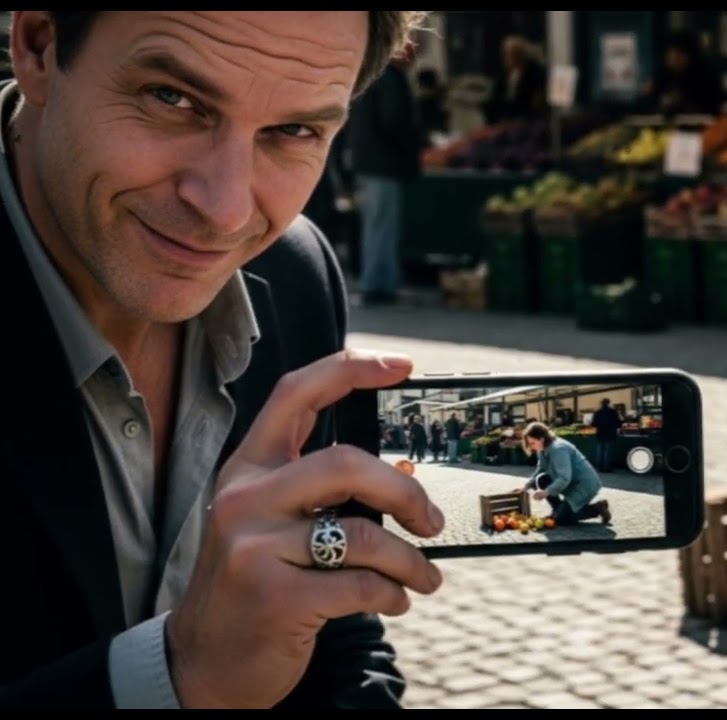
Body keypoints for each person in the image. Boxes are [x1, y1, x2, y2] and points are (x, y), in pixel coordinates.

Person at [1, 11, 447, 708]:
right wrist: (180, 674)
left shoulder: (295, 272)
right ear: (39, 47)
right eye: (172, 99)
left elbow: (334, 640)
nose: (227, 210)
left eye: (294, 131)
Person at [346, 41, 426, 306]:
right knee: (382, 226)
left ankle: (381, 281)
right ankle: (379, 284)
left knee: (375, 224)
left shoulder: (369, 77)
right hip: (383, 162)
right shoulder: (390, 79)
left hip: (368, 161)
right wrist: (411, 145)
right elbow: (394, 120)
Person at [514, 422, 612, 526]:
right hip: (569, 482)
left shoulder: (558, 449)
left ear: (542, 439)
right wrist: (525, 487)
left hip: (584, 485)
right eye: (529, 444)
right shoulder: (542, 449)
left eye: (532, 443)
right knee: (541, 479)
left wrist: (546, 492)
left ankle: (598, 508)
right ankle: (559, 510)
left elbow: (564, 478)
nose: (531, 447)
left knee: (561, 520)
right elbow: (540, 470)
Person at [641, 31, 724, 117]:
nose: (670, 56)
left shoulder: (705, 75)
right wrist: (650, 95)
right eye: (669, 52)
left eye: (675, 52)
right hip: (664, 124)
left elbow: (710, 106)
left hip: (699, 123)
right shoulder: (664, 73)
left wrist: (680, 102)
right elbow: (651, 102)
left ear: (687, 55)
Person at [485, 35, 547, 125]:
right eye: (507, 54)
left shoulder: (533, 74)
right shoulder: (503, 76)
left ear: (522, 55)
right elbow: (495, 99)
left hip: (523, 120)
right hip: (503, 120)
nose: (509, 57)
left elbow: (533, 102)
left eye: (513, 53)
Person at [589, 398, 622, 472]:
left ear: (601, 403)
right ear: (608, 403)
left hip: (600, 433)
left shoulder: (597, 412)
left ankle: (599, 467)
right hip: (610, 434)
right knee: (608, 451)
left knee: (600, 451)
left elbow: (593, 424)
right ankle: (607, 467)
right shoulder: (613, 412)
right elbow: (619, 423)